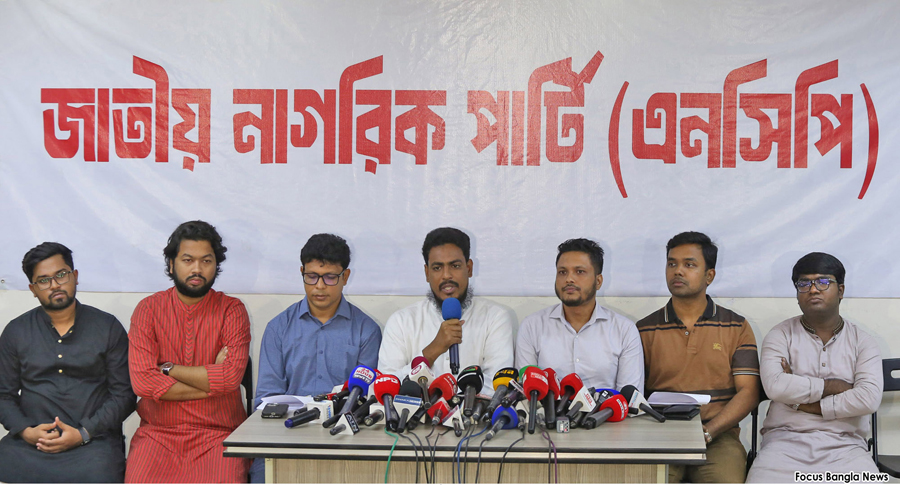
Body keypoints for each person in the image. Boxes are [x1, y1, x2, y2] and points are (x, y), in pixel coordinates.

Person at [249, 233, 381, 483]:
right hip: (287, 435)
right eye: (311, 276)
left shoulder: (366, 330)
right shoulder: (278, 328)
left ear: (345, 277)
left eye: (330, 277)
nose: (319, 286)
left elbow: (365, 401)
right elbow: (266, 400)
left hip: (344, 438)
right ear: (302, 272)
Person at [126, 221, 251, 483]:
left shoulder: (232, 310)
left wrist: (168, 369)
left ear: (216, 265)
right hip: (157, 434)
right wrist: (212, 383)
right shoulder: (148, 309)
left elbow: (230, 379)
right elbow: (143, 383)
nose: (197, 269)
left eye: (206, 261)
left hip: (219, 434)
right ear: (171, 264)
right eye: (187, 260)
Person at [0, 242, 135, 483]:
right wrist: (27, 431)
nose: (54, 285)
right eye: (43, 280)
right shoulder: (16, 331)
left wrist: (84, 433)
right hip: (30, 444)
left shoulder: (107, 327)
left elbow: (124, 395)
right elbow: (3, 395)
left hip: (93, 443)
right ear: (33, 289)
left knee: (101, 472)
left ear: (75, 276)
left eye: (61, 275)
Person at [746, 253, 882, 482]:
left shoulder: (863, 342)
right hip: (784, 443)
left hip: (846, 446)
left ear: (840, 290)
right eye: (804, 283)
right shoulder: (780, 335)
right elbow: (775, 387)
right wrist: (833, 386)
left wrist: (799, 402)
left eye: (823, 282)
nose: (813, 289)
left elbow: (868, 399)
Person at [636, 231, 759, 483]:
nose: (678, 271)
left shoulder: (736, 326)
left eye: (689, 265)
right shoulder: (644, 329)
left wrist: (709, 432)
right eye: (672, 264)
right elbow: (633, 392)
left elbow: (748, 392)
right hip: (659, 433)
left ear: (709, 275)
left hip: (718, 436)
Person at [378, 227, 515, 384]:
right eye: (437, 268)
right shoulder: (401, 322)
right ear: (427, 273)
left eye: (455, 266)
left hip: (473, 402)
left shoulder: (495, 318)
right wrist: (431, 352)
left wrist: (452, 396)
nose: (446, 275)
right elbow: (385, 386)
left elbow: (497, 384)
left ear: (469, 268)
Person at [516, 238, 643, 393]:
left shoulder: (624, 330)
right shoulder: (532, 326)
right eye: (562, 272)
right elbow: (525, 393)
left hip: (606, 409)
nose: (569, 279)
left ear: (598, 281)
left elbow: (630, 399)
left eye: (580, 272)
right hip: (547, 409)